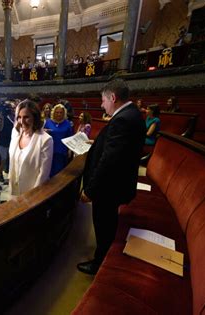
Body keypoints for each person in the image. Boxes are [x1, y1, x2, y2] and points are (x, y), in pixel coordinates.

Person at [77, 79, 145, 275]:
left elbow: (110, 161)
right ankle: (102, 260)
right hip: (115, 184)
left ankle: (100, 264)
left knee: (104, 225)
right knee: (106, 223)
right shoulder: (130, 115)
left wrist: (90, 190)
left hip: (109, 188)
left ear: (113, 97)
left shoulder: (123, 119)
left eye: (103, 100)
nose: (102, 104)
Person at [8, 100, 53, 196]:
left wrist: (32, 197)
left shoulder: (46, 140)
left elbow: (43, 176)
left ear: (35, 118)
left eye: (26, 117)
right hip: (14, 192)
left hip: (32, 195)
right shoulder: (15, 133)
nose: (22, 121)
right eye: (19, 117)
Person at [44, 104, 73, 177]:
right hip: (50, 151)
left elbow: (70, 137)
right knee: (49, 171)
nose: (59, 114)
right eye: (57, 112)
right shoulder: (48, 122)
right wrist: (44, 132)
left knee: (60, 173)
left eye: (61, 112)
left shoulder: (67, 123)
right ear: (53, 113)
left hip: (62, 152)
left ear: (64, 113)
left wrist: (70, 150)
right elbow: (43, 136)